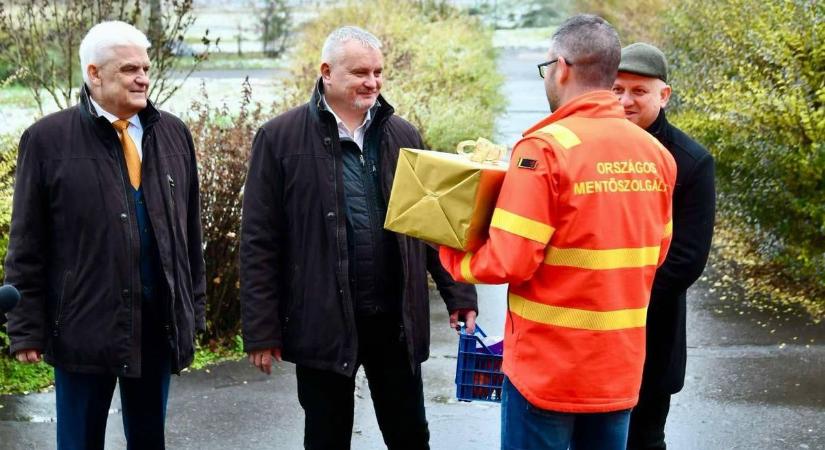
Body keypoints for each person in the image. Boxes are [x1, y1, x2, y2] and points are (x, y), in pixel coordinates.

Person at [439, 15, 677, 450]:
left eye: (546, 67)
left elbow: (510, 259)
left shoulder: (544, 151)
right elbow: (657, 253)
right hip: (617, 370)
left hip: (547, 372)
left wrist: (452, 255)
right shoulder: (655, 154)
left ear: (562, 68)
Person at [240, 26, 478, 450]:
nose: (372, 82)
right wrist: (261, 328)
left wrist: (459, 293)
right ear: (326, 72)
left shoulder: (402, 134)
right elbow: (260, 240)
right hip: (323, 318)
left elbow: (433, 223)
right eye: (359, 73)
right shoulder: (279, 138)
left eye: (378, 72)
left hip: (395, 318)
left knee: (409, 435)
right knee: (326, 437)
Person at [4, 21, 206, 450]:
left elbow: (189, 237)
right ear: (94, 74)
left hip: (156, 324)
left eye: (146, 68)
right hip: (83, 325)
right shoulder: (46, 140)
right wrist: (25, 329)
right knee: (79, 442)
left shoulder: (173, 134)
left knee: (150, 439)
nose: (143, 78)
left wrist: (194, 309)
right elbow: (27, 244)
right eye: (130, 69)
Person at [613, 42, 716, 450]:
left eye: (639, 91)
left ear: (664, 95)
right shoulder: (587, 149)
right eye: (617, 89)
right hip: (590, 335)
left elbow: (687, 259)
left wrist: (618, 297)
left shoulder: (691, 160)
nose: (625, 101)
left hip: (653, 330)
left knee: (644, 437)